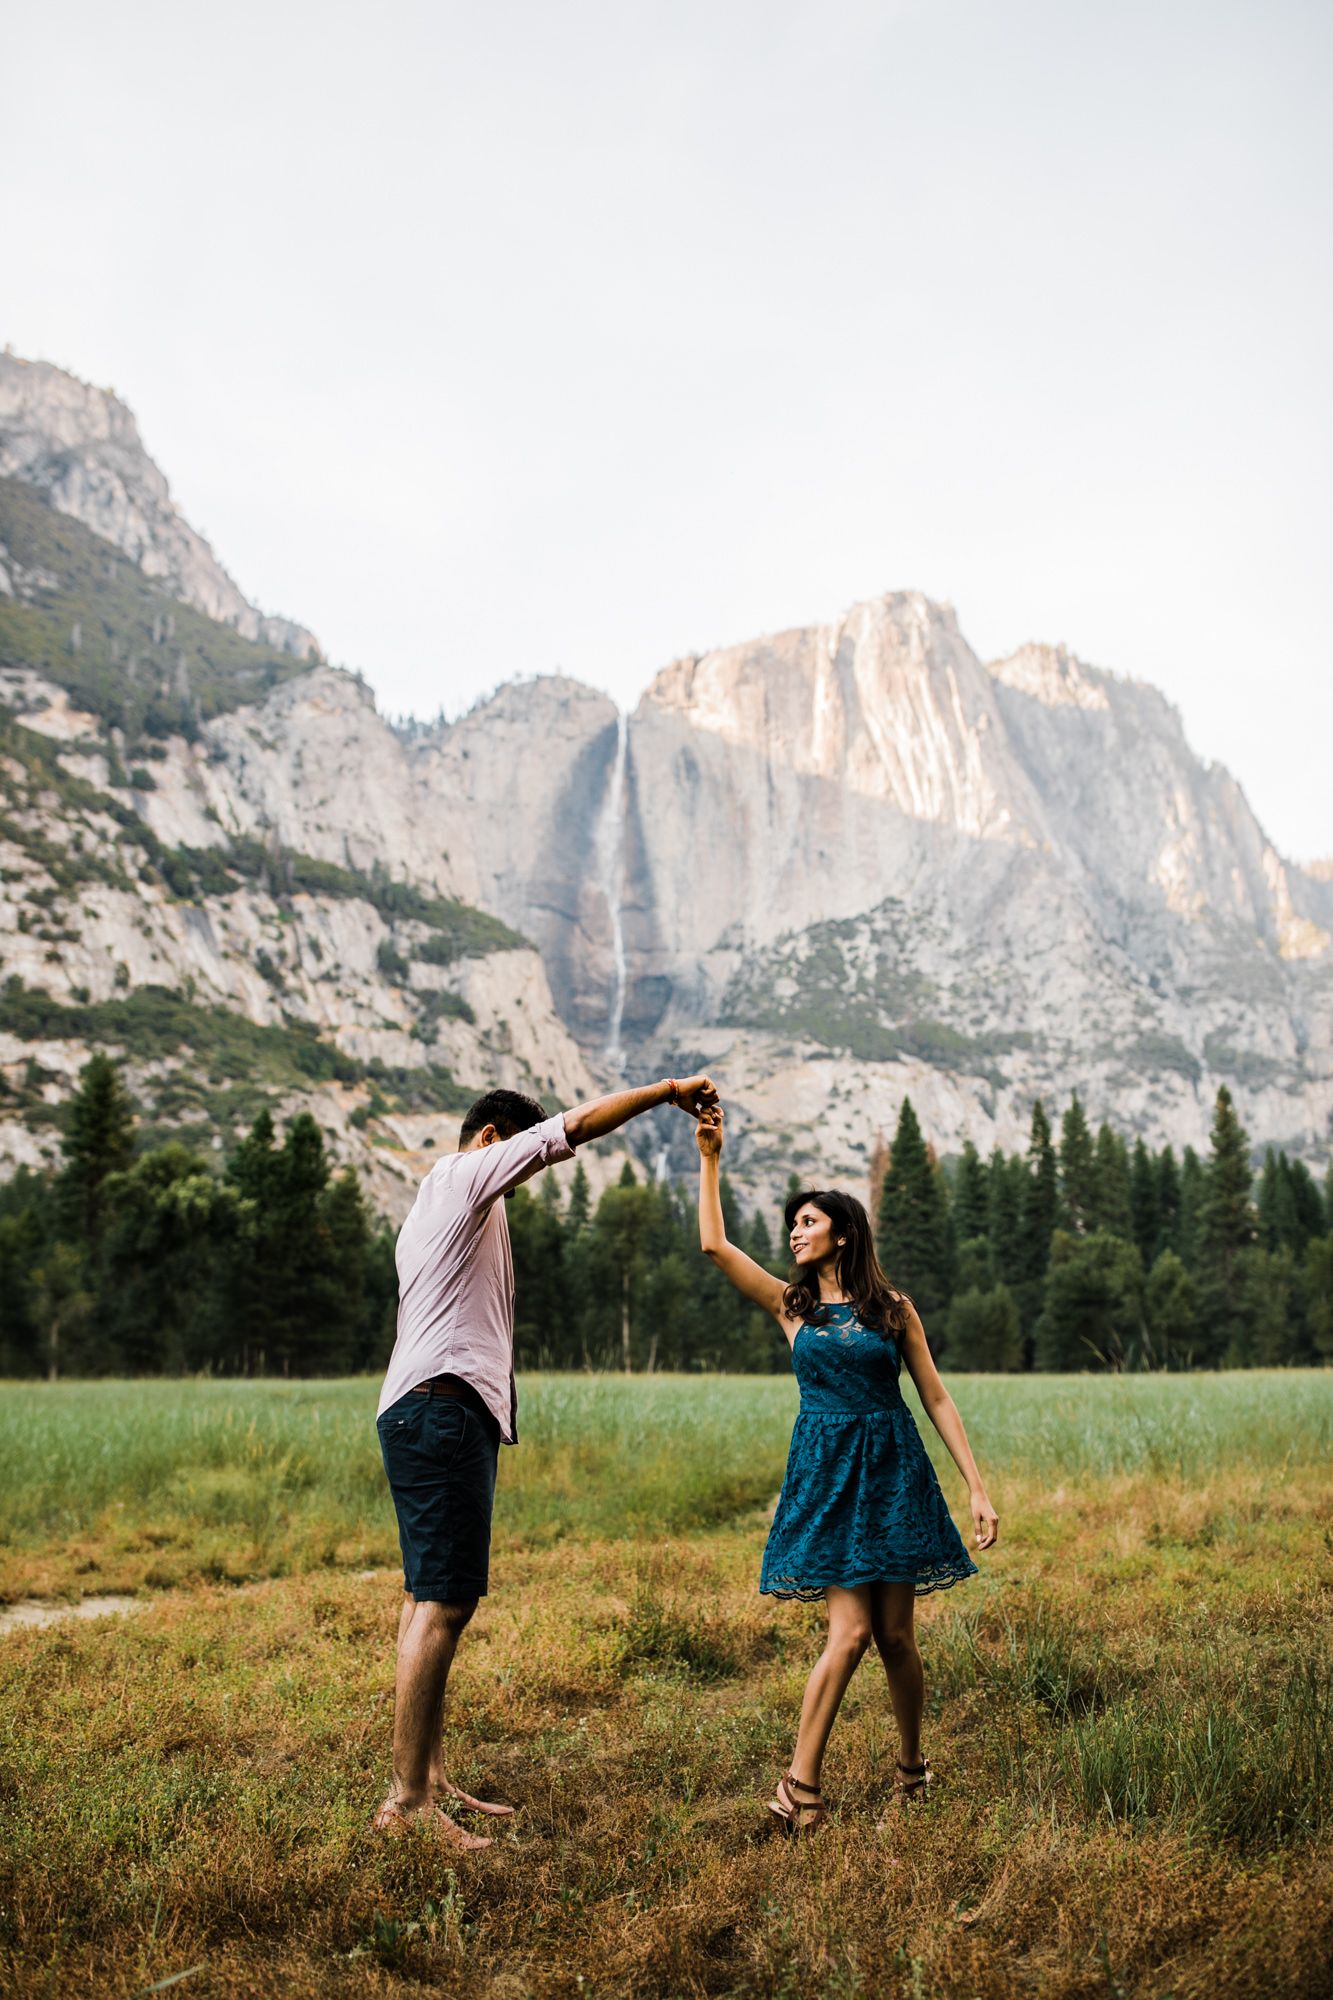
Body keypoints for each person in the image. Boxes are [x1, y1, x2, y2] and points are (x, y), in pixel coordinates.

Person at [374, 1073, 718, 1847]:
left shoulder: (450, 1205)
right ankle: (406, 1806)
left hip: (431, 1409)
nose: (525, 1178)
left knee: (425, 1595)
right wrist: (665, 1091)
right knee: (445, 1604)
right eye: (520, 1159)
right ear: (492, 1140)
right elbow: (573, 1128)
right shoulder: (464, 1175)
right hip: (441, 1408)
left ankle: (423, 1779)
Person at [694, 1104, 998, 1834]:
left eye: (807, 1221)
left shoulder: (894, 1310)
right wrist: (710, 1158)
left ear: (843, 1231)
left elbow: (935, 1396)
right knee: (851, 1632)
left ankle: (913, 1771)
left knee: (896, 1638)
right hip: (827, 1478)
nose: (795, 1232)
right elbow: (712, 1246)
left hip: (894, 1472)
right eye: (791, 1223)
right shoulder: (789, 1306)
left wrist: (977, 1488)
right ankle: (798, 1789)